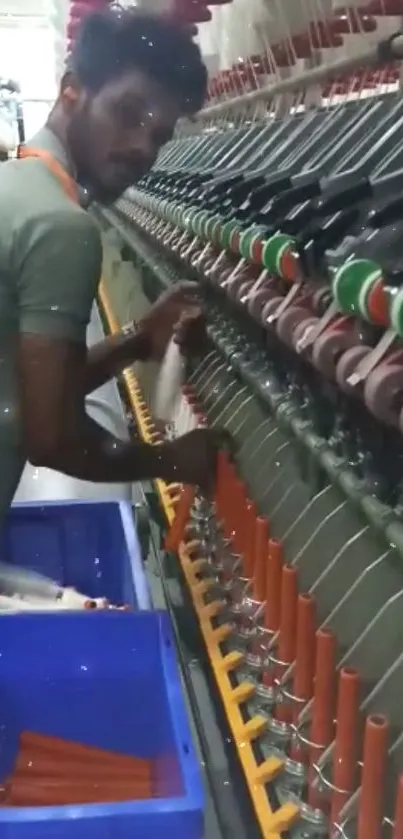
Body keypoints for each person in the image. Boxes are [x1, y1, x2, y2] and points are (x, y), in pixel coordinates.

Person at [0, 7, 221, 527]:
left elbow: (23, 389)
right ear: (72, 90)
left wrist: (141, 339)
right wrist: (173, 460)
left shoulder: (15, 185)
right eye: (128, 114)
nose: (143, 146)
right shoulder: (61, 227)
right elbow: (50, 436)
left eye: (160, 135)